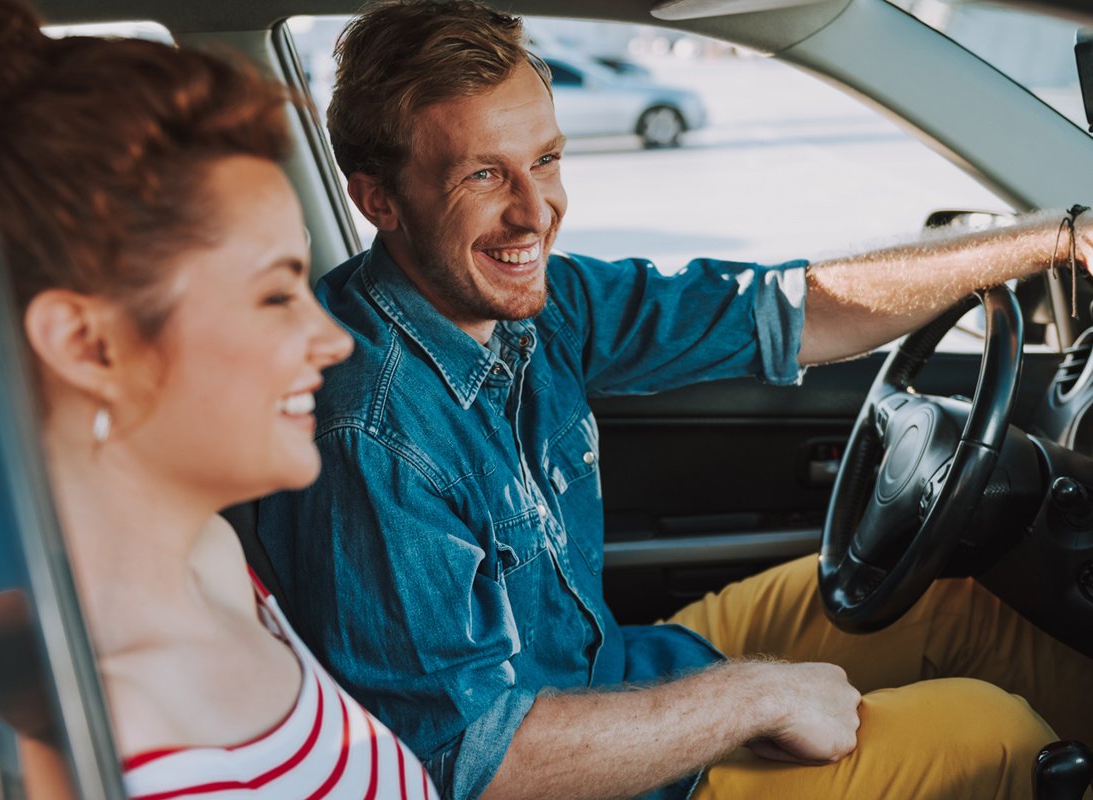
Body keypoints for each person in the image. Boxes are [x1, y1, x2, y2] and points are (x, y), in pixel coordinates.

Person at [255, 2, 1093, 799]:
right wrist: (750, 700)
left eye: (545, 160)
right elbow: (468, 763)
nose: (534, 213)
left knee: (957, 594)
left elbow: (792, 310)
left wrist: (1050, 240)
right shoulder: (367, 428)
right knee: (990, 734)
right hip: (589, 775)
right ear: (378, 200)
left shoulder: (537, 305)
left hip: (615, 668)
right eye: (483, 175)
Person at [0, 1, 439, 797]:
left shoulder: (211, 561)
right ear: (88, 345)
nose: (337, 340)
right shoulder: (94, 741)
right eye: (277, 297)